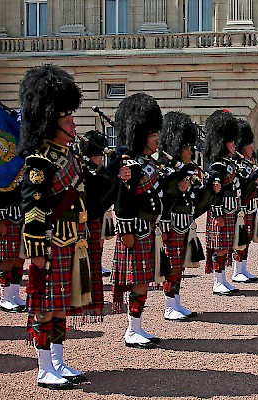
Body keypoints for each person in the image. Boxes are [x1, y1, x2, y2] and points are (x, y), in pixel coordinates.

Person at [18, 65, 88, 388]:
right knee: (44, 307)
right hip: (47, 245)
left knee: (61, 305)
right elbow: (32, 210)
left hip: (69, 240)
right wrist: (35, 253)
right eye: (68, 119)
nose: (73, 123)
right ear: (53, 122)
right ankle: (44, 366)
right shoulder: (40, 162)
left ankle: (58, 361)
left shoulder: (70, 158)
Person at [111, 93, 164, 348]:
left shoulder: (148, 163)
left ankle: (138, 326)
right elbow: (122, 200)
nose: (157, 139)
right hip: (137, 230)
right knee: (139, 281)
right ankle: (132, 329)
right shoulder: (131, 164)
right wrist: (125, 231)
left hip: (148, 228)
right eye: (154, 134)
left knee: (144, 280)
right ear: (143, 134)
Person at [157, 111, 205, 321]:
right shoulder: (166, 170)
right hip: (171, 223)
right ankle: (169, 305)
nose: (190, 151)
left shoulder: (187, 170)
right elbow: (163, 200)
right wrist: (179, 189)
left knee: (179, 264)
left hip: (185, 222)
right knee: (172, 264)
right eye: (186, 147)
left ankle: (176, 300)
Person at [77, 130, 120, 321]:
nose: (100, 159)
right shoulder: (83, 171)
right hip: (79, 222)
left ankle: (93, 301)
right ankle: (81, 301)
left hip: (94, 220)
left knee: (94, 262)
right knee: (81, 263)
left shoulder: (95, 171)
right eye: (97, 155)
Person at [204, 110, 242, 296]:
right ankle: (217, 281)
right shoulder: (217, 166)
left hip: (231, 209)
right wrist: (218, 213)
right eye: (230, 141)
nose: (234, 144)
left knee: (226, 246)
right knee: (220, 247)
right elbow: (215, 192)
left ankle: (223, 279)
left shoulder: (229, 163)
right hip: (222, 210)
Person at [232, 119, 258, 283]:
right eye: (249, 145)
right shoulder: (237, 164)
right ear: (242, 146)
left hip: (251, 205)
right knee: (241, 238)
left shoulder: (248, 164)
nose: (252, 148)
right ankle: (237, 270)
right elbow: (240, 185)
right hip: (241, 206)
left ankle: (243, 267)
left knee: (248, 237)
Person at [0, 184, 27, 313]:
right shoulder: (2, 165)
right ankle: (5, 298)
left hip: (23, 215)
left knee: (20, 258)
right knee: (7, 259)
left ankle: (15, 295)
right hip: (6, 217)